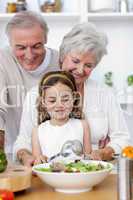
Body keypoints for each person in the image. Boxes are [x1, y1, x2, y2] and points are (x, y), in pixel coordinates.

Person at [13, 22, 129, 166]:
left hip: (93, 170)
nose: (80, 70)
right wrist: (26, 156)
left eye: (88, 65)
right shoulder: (35, 94)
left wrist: (103, 152)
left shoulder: (104, 94)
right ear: (62, 56)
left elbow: (123, 139)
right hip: (48, 173)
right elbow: (23, 141)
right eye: (75, 61)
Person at [0, 11, 59, 154]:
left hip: (55, 151)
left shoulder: (60, 62)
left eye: (36, 46)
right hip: (13, 151)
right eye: (21, 47)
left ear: (45, 39)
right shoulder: (3, 59)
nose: (29, 55)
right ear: (10, 43)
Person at [32, 71, 92, 165]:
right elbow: (38, 163)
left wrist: (89, 157)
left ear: (74, 98)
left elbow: (89, 160)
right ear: (43, 102)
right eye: (52, 101)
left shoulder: (83, 125)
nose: (59, 105)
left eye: (65, 99)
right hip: (50, 178)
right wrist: (39, 160)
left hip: (78, 177)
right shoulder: (38, 131)